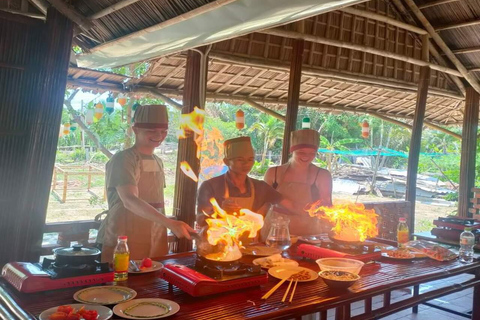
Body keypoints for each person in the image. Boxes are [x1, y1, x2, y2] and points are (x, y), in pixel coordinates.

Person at [98, 104, 194, 263]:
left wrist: (166, 224)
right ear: (135, 130)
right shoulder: (123, 159)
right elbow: (129, 200)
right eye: (152, 131)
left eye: (163, 131)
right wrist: (170, 223)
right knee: (123, 279)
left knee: (153, 277)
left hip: (155, 231)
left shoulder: (158, 161)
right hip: (125, 232)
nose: (159, 135)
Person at [196, 136, 295, 228]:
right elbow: (200, 220)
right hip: (217, 243)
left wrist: (309, 208)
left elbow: (290, 205)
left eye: (250, 160)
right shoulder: (210, 186)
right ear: (226, 161)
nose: (246, 164)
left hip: (250, 243)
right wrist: (220, 211)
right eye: (240, 160)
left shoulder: (260, 187)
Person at [263, 129, 332, 236]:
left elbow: (326, 207)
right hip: (275, 230)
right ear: (292, 151)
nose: (306, 156)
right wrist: (257, 230)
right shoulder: (273, 172)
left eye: (312, 153)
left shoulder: (322, 175)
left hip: (307, 232)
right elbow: (264, 204)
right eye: (301, 152)